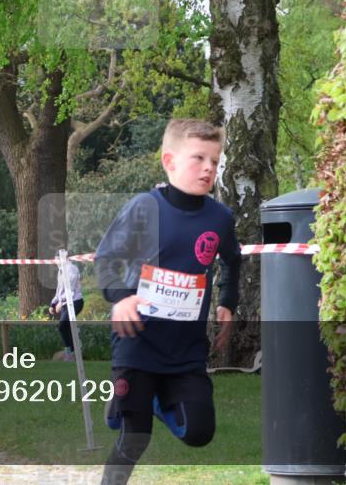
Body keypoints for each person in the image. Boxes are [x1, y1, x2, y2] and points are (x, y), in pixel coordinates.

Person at [96, 119, 241, 485]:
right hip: (137, 341)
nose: (209, 167)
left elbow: (233, 259)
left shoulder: (220, 218)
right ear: (170, 161)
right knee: (134, 437)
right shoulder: (144, 207)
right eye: (199, 158)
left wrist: (227, 302)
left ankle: (157, 401)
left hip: (186, 350)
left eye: (215, 160)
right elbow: (106, 258)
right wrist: (120, 298)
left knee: (199, 432)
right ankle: (134, 408)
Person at [49, 259, 83, 361]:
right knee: (65, 327)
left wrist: (61, 302)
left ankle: (71, 352)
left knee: (63, 325)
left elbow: (70, 290)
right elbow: (59, 291)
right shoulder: (61, 271)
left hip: (75, 301)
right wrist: (53, 303)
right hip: (65, 303)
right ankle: (72, 351)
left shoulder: (71, 269)